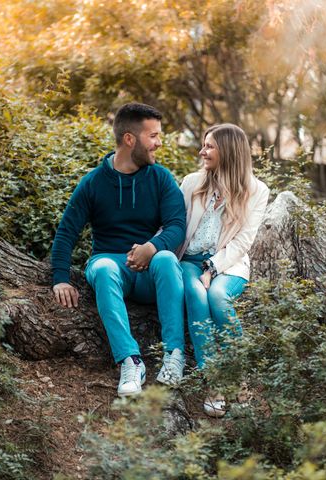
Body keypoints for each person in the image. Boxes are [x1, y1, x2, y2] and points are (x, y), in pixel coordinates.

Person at [51, 103, 187, 397]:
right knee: (101, 268)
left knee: (166, 259)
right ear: (129, 139)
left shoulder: (160, 178)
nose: (159, 143)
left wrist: (152, 247)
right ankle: (130, 361)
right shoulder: (94, 183)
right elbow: (66, 232)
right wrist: (60, 277)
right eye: (153, 136)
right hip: (112, 267)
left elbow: (177, 225)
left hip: (152, 271)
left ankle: (174, 355)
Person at [177, 123, 270, 417]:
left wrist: (213, 268)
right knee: (195, 295)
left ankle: (240, 376)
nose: (202, 151)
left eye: (209, 146)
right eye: (204, 145)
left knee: (218, 297)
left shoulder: (256, 191)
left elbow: (244, 240)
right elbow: (177, 227)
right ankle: (214, 382)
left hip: (229, 263)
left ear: (228, 152)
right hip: (189, 261)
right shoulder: (192, 183)